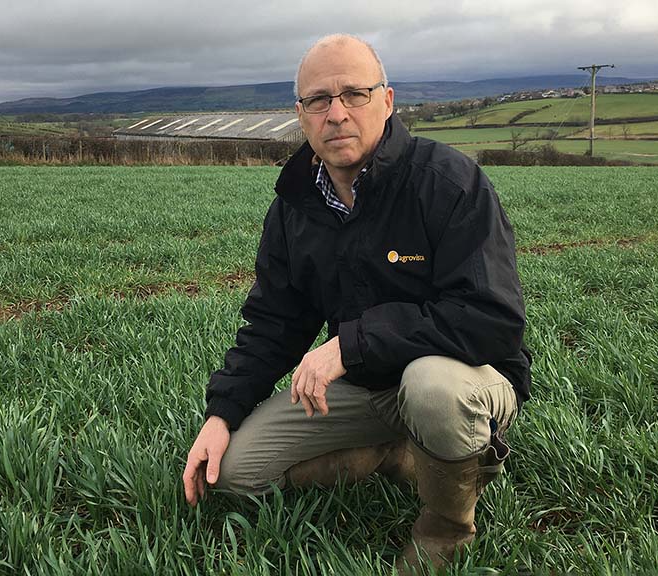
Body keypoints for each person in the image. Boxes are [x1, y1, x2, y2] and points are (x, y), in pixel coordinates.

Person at [182, 33, 531, 571]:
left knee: (432, 388)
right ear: (300, 114)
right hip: (367, 387)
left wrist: (351, 344)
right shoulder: (296, 205)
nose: (337, 113)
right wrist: (222, 413)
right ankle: (399, 453)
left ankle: (446, 529)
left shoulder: (448, 183)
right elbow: (275, 322)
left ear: (386, 101)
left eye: (354, 94)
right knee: (234, 474)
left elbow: (492, 319)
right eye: (319, 100)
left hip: (464, 377)